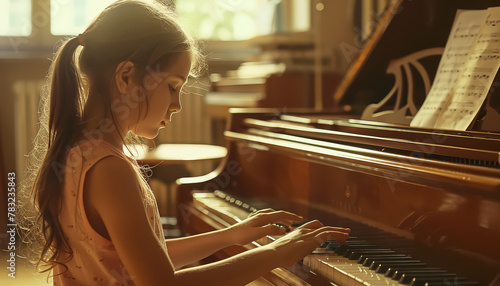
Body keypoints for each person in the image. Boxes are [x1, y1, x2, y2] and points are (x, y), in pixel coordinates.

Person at [18, 0, 350, 285]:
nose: (177, 105)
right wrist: (276, 253)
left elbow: (144, 260)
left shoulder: (79, 154)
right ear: (125, 77)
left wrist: (229, 236)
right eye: (173, 87)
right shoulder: (111, 171)